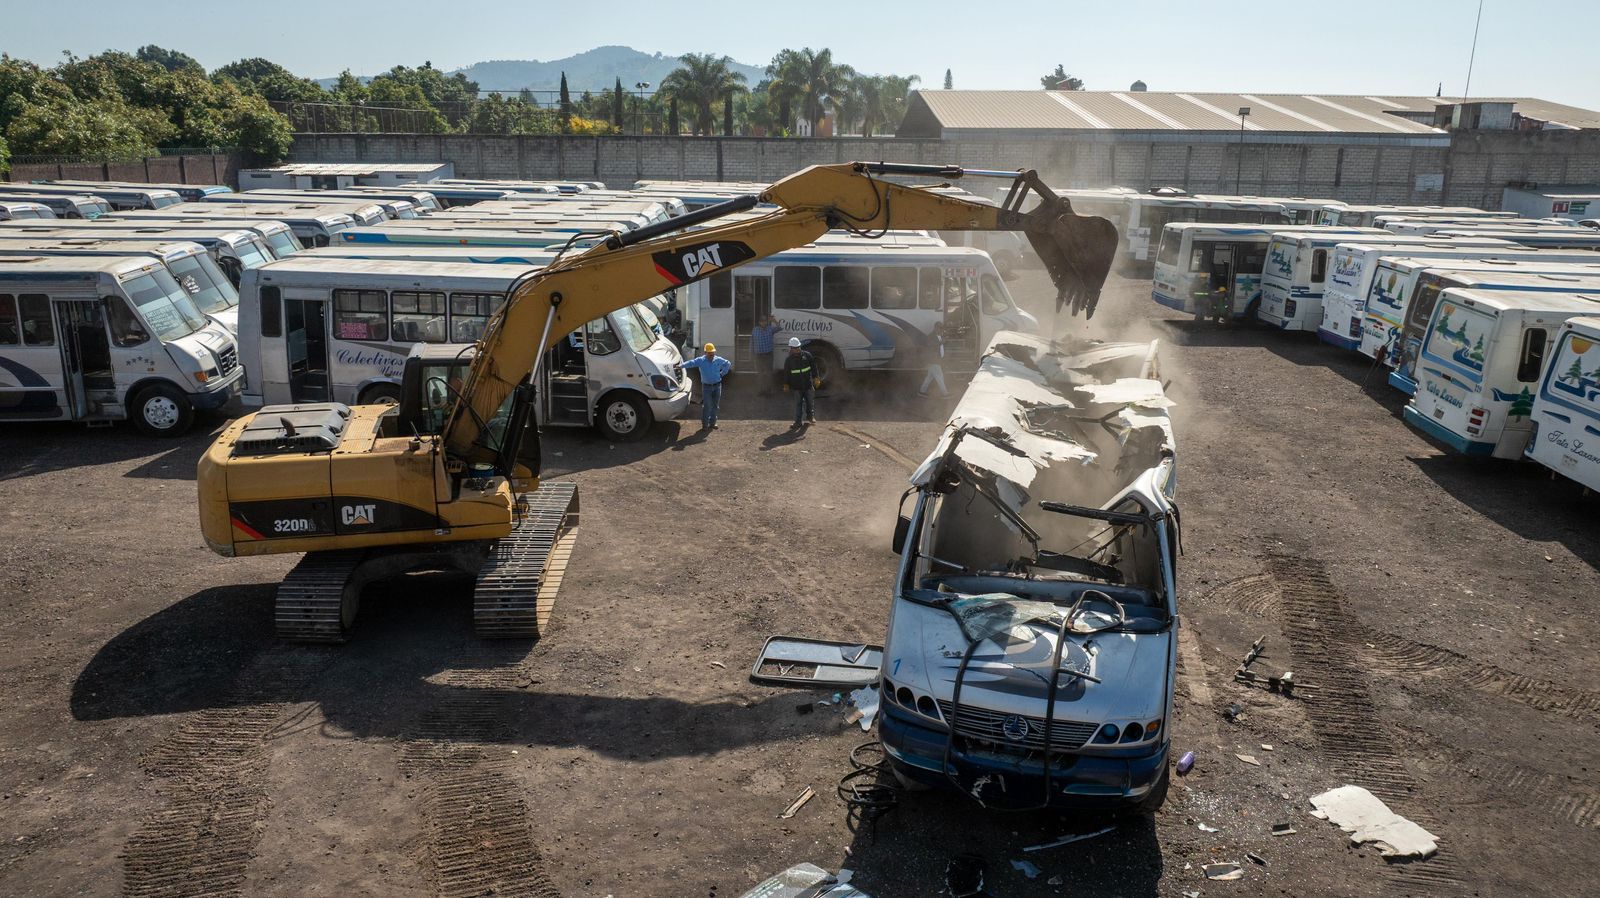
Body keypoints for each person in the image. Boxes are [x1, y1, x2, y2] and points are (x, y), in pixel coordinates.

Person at [677, 342, 732, 429]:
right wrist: (680, 366)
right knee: (707, 406)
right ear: (705, 353)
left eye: (713, 354)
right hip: (706, 387)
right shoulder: (701, 361)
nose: (712, 356)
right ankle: (705, 424)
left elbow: (728, 363)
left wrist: (722, 373)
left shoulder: (718, 359)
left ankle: (713, 423)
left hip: (717, 386)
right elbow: (691, 363)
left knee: (715, 406)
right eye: (710, 354)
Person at [782, 337, 819, 427]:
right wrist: (786, 384)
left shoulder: (807, 355)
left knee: (810, 403)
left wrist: (816, 378)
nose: (797, 349)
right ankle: (798, 422)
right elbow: (787, 373)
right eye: (794, 348)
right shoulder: (789, 360)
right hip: (796, 386)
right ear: (791, 348)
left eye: (798, 347)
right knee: (798, 404)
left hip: (808, 385)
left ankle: (810, 417)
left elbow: (814, 367)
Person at [750, 315, 783, 392]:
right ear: (759, 322)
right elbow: (751, 342)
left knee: (769, 373)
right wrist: (751, 353)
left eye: (764, 321)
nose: (763, 323)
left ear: (766, 322)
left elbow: (779, 328)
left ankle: (768, 390)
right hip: (758, 355)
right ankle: (761, 390)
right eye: (762, 321)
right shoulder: (754, 330)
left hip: (768, 354)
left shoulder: (770, 329)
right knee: (760, 373)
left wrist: (774, 320)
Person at [918, 322, 950, 398]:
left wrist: (944, 342)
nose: (941, 330)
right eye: (940, 328)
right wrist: (941, 342)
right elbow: (930, 346)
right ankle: (945, 394)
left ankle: (921, 391)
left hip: (937, 360)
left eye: (942, 328)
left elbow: (941, 347)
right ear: (935, 328)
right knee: (940, 377)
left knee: (929, 377)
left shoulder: (940, 336)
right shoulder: (931, 336)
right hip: (933, 360)